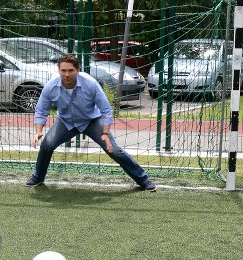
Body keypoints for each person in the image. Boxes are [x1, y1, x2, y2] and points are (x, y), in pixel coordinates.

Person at [26, 53, 157, 191]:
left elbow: (106, 110)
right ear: (59, 70)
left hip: (92, 120)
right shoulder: (51, 86)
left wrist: (105, 133)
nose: (67, 74)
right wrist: (38, 131)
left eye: (70, 70)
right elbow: (41, 110)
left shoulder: (90, 83)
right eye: (63, 70)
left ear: (78, 70)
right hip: (66, 122)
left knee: (113, 150)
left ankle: (144, 180)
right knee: (46, 145)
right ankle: (38, 177)